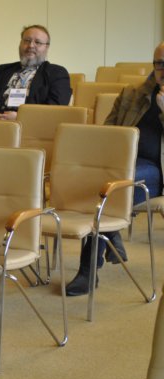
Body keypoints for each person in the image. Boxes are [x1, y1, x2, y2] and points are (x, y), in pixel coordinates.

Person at [65, 42, 164, 296]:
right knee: (101, 185)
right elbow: (107, 134)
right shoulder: (132, 94)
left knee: (110, 189)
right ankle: (111, 230)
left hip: (155, 170)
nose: (163, 70)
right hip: (119, 165)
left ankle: (88, 270)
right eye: (159, 64)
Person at [0, 25, 71, 120]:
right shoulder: (1, 70)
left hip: (32, 126)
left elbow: (56, 109)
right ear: (20, 44)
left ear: (46, 47)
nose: (31, 45)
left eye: (38, 42)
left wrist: (21, 117)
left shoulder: (57, 73)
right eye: (27, 40)